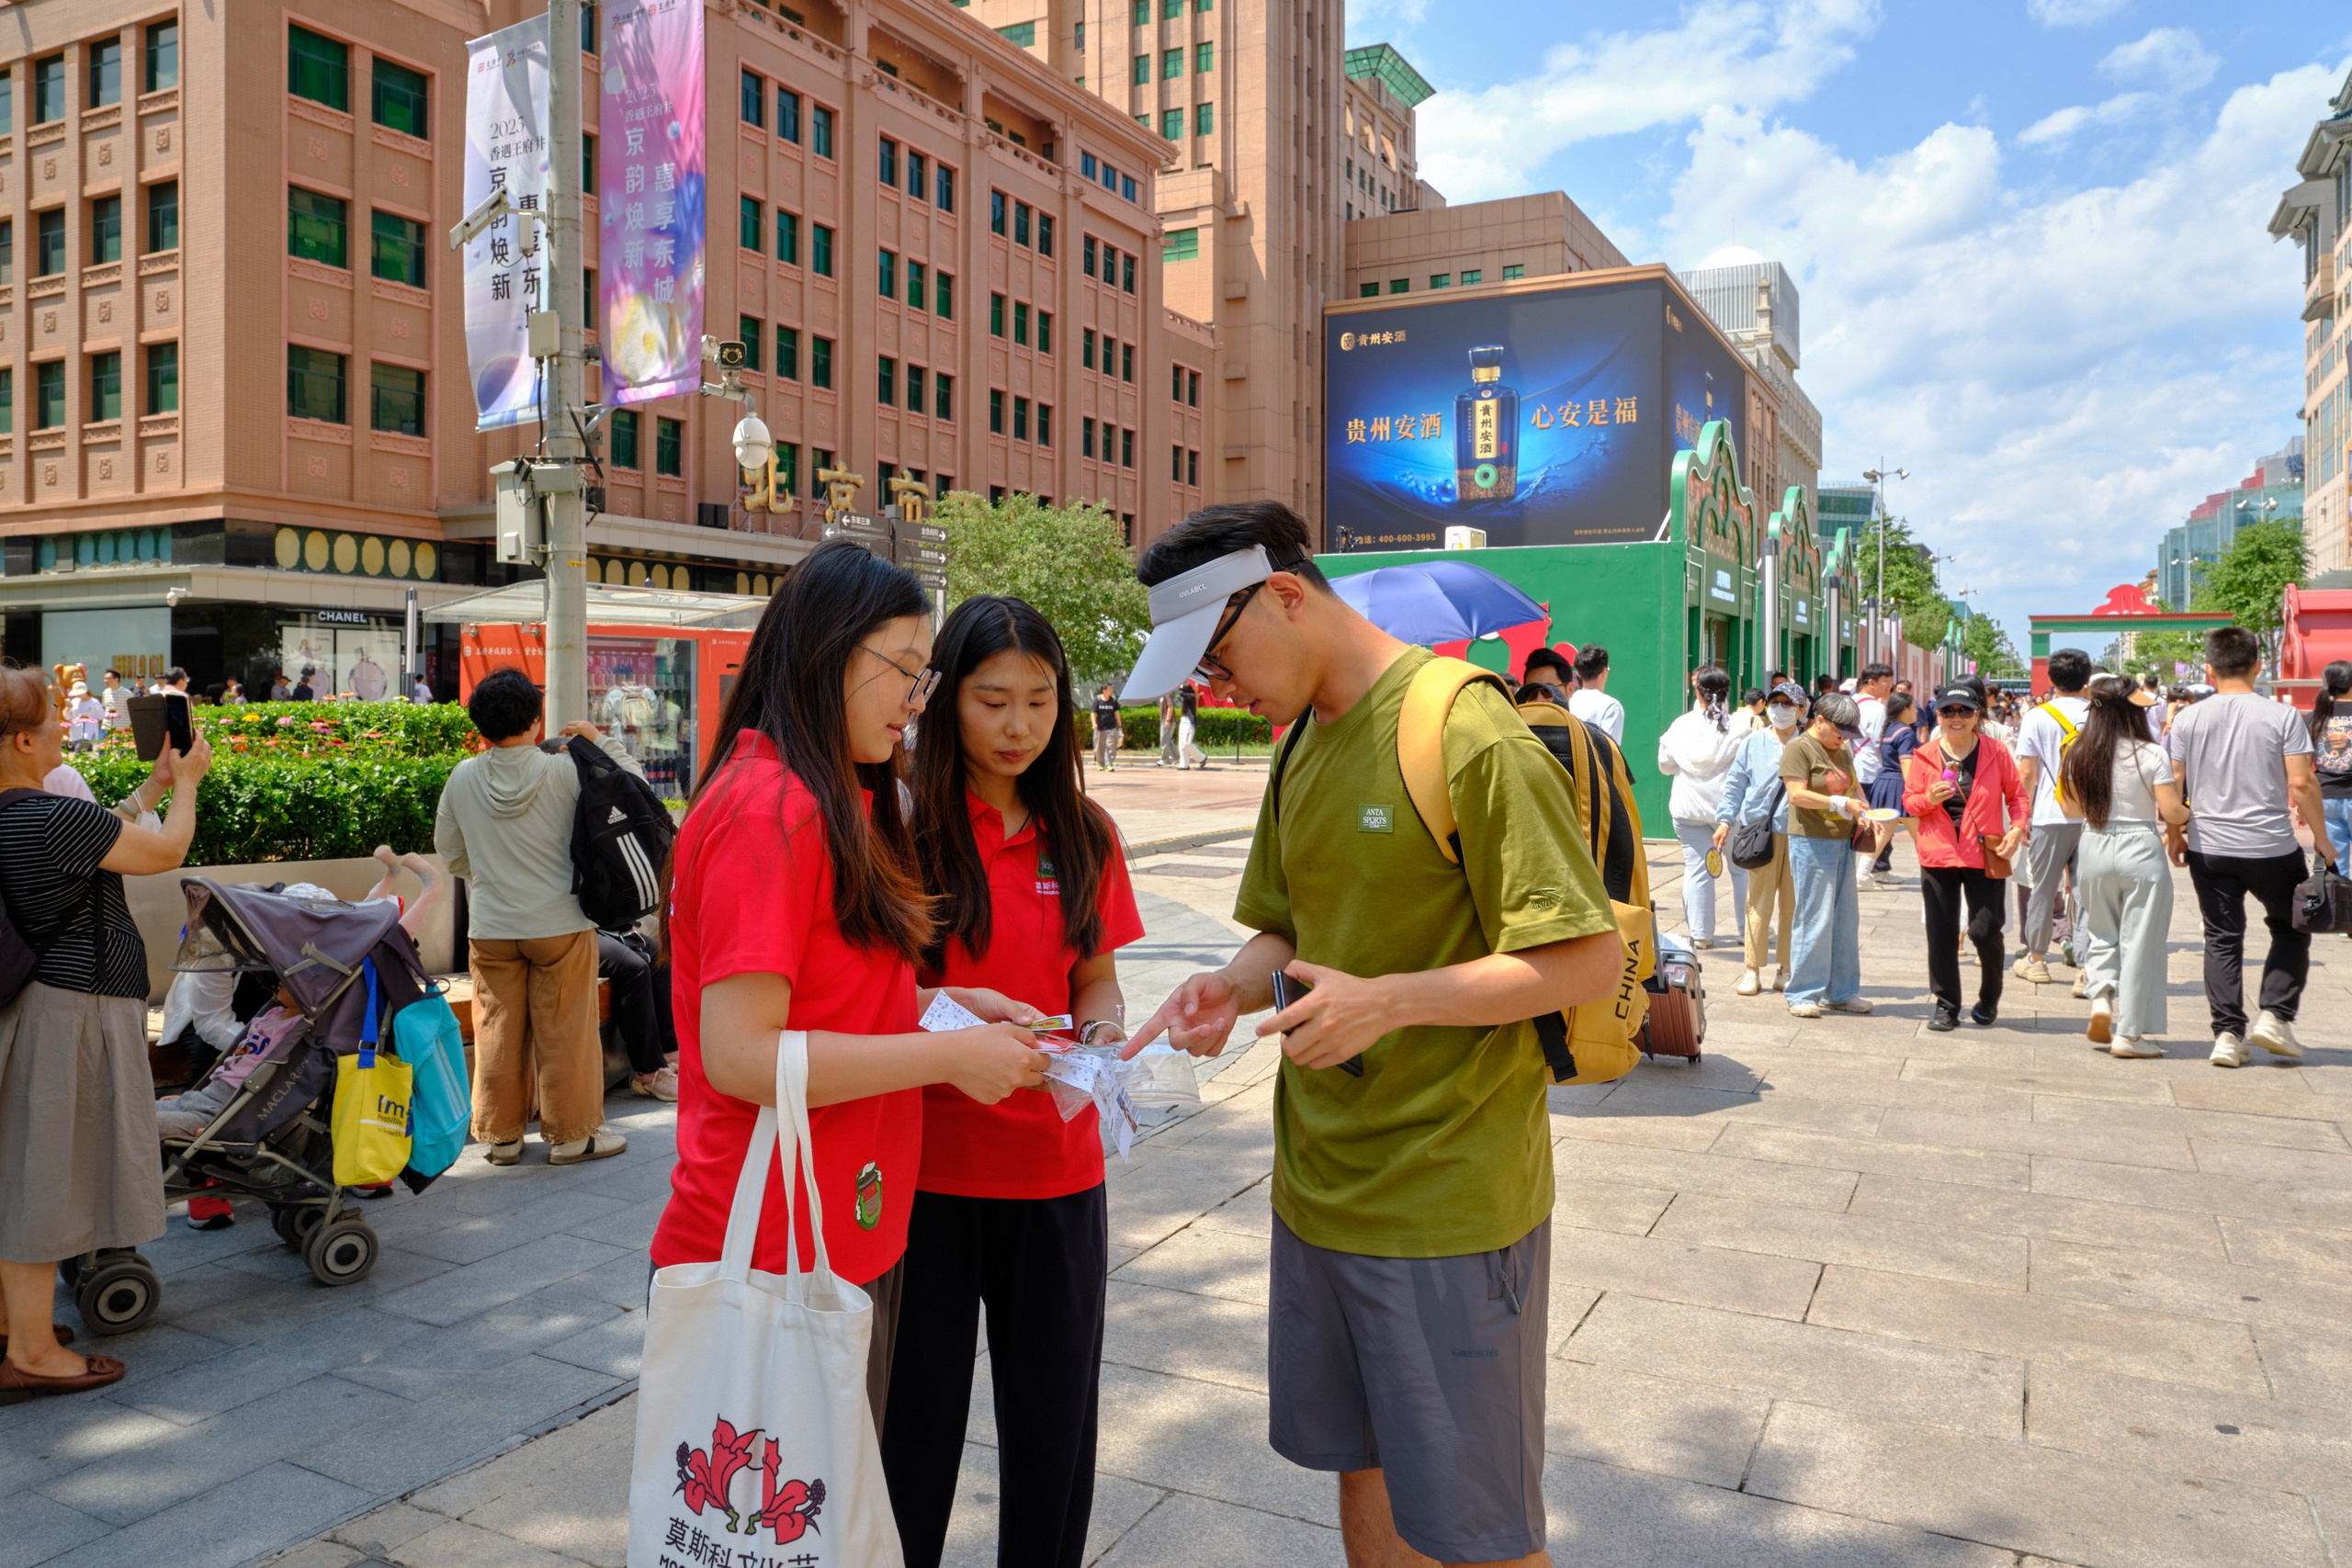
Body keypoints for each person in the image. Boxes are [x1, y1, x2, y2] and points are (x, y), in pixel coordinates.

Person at [1115, 502, 1622, 1568]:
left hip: (1445, 1198)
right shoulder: (1303, 738)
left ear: (1285, 594)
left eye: (1215, 659)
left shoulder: (1464, 727)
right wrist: (1231, 986)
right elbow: (1287, 927)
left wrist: (1388, 1000)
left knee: (1478, 1525)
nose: (1217, 693)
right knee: (1368, 1472)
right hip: (1318, 1188)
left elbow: (1583, 960)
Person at [649, 541, 1048, 1422]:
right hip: (776, 1244)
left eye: (923, 677)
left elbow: (825, 1003)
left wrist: (946, 1012)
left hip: (829, 1226)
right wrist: (942, 1057)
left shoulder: (823, 797)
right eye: (905, 669)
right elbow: (744, 1055)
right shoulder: (773, 807)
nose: (916, 699)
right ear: (831, 651)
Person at [886, 596, 1145, 1568]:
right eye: (993, 700)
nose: (1017, 726)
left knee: (1052, 1435)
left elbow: (1095, 975)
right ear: (946, 701)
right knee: (912, 1436)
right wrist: (954, 1018)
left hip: (1057, 1174)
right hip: (925, 1177)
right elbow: (876, 990)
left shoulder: (1082, 831)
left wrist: (1104, 1034)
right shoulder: (902, 829)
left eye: (1039, 702)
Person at [0, 665, 212, 1402]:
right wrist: (186, 785)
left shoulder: (20, 815)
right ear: (24, 739)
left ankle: (12, 1326)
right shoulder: (50, 817)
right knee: (45, 1181)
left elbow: (103, 838)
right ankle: (30, 1351)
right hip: (70, 1010)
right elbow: (163, 853)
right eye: (55, 721)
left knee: (24, 1168)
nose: (67, 728)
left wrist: (153, 786)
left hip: (34, 1008)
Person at [434, 669, 636, 1166]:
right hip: (561, 922)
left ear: (480, 727)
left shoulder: (463, 776)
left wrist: (488, 875)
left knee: (497, 1029)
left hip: (491, 927)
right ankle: (571, 1137)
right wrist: (597, 739)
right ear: (536, 717)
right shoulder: (566, 771)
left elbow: (450, 853)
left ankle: (501, 1138)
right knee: (566, 1028)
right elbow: (630, 789)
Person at [2166, 626, 2340, 1066]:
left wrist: (2174, 833)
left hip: (2210, 846)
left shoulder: (2187, 718)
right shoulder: (2280, 716)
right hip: (2271, 846)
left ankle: (2228, 1034)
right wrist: (2321, 839)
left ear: (2209, 668)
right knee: (2290, 927)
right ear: (2258, 665)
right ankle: (2275, 1016)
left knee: (2222, 938)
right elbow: (2301, 782)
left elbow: (2171, 784)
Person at [2062, 676, 2187, 1057]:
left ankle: (2100, 996)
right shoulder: (2150, 754)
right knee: (2141, 942)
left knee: (2100, 931)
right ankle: (2130, 1034)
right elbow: (2171, 811)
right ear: (2131, 711)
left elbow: (2071, 810)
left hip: (2094, 843)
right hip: (2140, 845)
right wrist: (2191, 812)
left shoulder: (2078, 751)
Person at [1903, 685, 2027, 1030]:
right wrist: (1928, 798)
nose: (1956, 718)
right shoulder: (1925, 754)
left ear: (1977, 715)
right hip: (1938, 852)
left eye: (1964, 711)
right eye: (1948, 711)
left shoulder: (1996, 752)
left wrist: (2017, 829)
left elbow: (2017, 797)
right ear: (1938, 715)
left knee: (1986, 930)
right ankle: (1946, 1005)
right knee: (1941, 932)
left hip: (1985, 850)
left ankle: (1989, 997)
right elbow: (1909, 802)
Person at [1780, 692, 1874, 1020]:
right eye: (1838, 731)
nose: (1842, 739)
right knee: (1814, 918)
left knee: (1846, 920)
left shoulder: (1843, 748)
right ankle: (1803, 992)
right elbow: (1796, 794)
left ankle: (1842, 991)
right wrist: (1838, 805)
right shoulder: (1799, 747)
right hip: (1811, 842)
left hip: (1842, 840)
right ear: (1819, 719)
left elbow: (1854, 787)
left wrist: (1863, 810)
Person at [1713, 680, 1806, 995]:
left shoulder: (1807, 744)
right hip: (1759, 832)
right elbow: (1736, 783)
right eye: (1775, 703)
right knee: (1758, 902)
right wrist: (1725, 820)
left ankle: (1786, 967)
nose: (1780, 709)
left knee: (1794, 905)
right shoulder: (1753, 743)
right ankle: (1751, 969)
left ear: (1800, 710)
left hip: (1799, 832)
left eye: (1787, 704)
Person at [2013, 649, 2093, 989]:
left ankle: (2037, 960)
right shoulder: (2100, 715)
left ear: (2052, 680)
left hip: (2049, 813)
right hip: (2093, 815)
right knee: (2086, 891)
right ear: (2087, 679)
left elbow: (2027, 772)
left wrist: (2024, 815)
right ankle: (2087, 970)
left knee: (2043, 889)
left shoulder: (2036, 716)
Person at [1657, 666, 1747, 949]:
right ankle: (1749, 931)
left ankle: (1701, 935)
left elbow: (1665, 765)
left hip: (1689, 809)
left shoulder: (1680, 726)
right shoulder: (1740, 729)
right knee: (1742, 871)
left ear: (1697, 692)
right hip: (1728, 813)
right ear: (1727, 692)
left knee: (1696, 870)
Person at [597, 930, 678, 1101]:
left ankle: (670, 1051)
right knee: (634, 967)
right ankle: (648, 1071)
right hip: (561, 931)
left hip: (593, 926)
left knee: (658, 953)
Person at [1863, 691, 1919, 882]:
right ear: (1904, 710)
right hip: (1899, 786)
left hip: (1883, 784)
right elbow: (1906, 763)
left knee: (1882, 834)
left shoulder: (1889, 729)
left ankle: (1863, 875)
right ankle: (1936, 872)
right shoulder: (1906, 732)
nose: (1917, 711)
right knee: (1922, 835)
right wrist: (1914, 790)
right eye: (1914, 707)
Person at [1849, 662, 1895, 888]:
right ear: (1871, 683)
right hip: (1869, 770)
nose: (1890, 685)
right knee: (1876, 822)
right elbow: (1880, 742)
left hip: (1849, 767)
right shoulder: (1876, 709)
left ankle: (1865, 870)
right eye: (1885, 681)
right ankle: (1871, 871)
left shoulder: (1850, 701)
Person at [2308, 660, 2352, 863]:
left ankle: (2338, 897)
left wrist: (2304, 803)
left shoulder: (2315, 717)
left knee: (2334, 863)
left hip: (2324, 798)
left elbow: (2304, 766)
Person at [1568, 643, 1623, 743]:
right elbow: (1609, 750)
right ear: (1604, 671)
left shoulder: (1567, 701)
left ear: (1578, 673)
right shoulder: (1611, 706)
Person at [1091, 682, 1124, 772]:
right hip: (1100, 727)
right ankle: (1101, 764)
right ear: (1104, 690)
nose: (1111, 691)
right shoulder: (1097, 700)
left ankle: (1109, 764)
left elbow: (1117, 713)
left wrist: (1120, 726)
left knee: (1111, 746)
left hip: (1111, 727)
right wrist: (1094, 724)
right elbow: (1093, 713)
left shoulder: (1113, 700)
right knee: (1099, 746)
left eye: (1111, 689)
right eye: (1109, 689)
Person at [1175, 682, 1208, 769]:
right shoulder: (1187, 696)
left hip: (1189, 721)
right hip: (1183, 719)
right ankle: (1184, 765)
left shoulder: (1191, 696)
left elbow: (1182, 694)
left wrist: (1180, 688)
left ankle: (1202, 758)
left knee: (1187, 743)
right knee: (1182, 744)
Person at [64, 682, 104, 751]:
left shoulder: (94, 702)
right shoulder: (74, 701)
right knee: (80, 752)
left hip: (88, 731)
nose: (77, 695)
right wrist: (68, 708)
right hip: (76, 731)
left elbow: (101, 716)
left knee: (79, 750)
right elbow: (67, 717)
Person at [99, 671, 130, 736]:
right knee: (101, 745)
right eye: (104, 678)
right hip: (106, 727)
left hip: (122, 728)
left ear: (116, 679)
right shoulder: (105, 692)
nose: (105, 681)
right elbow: (105, 708)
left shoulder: (127, 693)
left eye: (108, 679)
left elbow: (131, 710)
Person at [1157, 689, 1180, 766]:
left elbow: (1170, 706)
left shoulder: (1166, 694)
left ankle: (1165, 759)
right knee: (1167, 741)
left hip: (1167, 721)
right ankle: (1177, 757)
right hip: (1165, 721)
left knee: (1164, 741)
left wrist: (1167, 720)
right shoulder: (1163, 695)